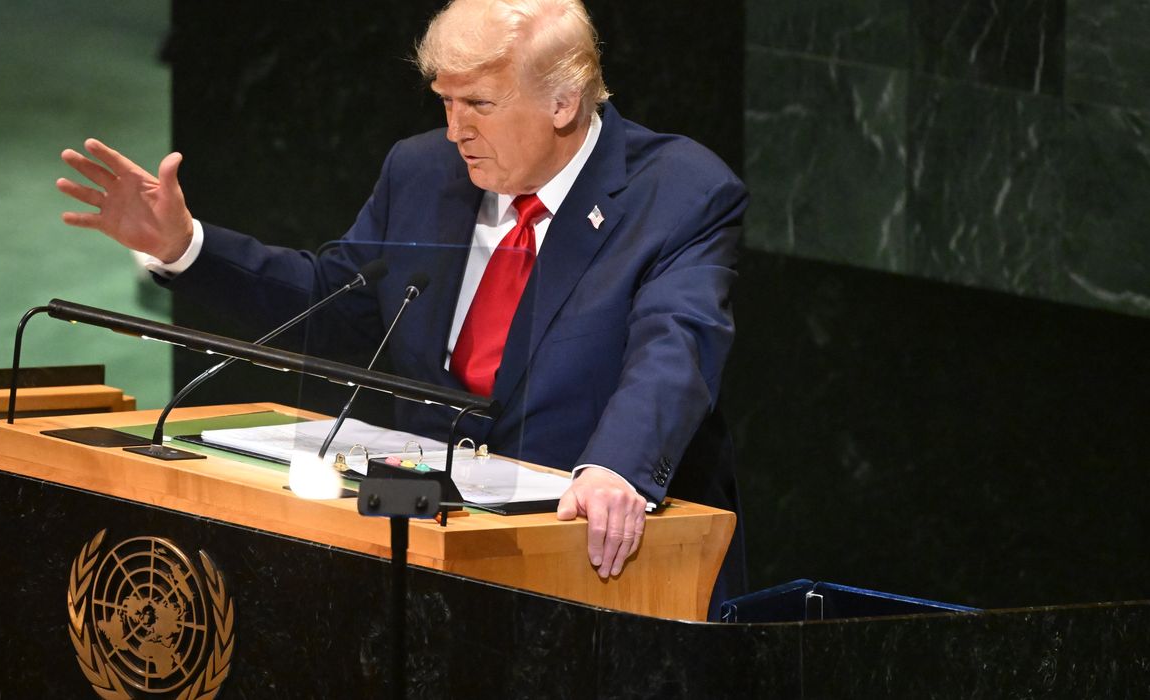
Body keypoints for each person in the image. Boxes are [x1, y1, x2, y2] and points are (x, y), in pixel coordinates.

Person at [58, 0, 748, 616]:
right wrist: (187, 248)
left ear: (563, 102)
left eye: (477, 105)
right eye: (443, 102)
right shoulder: (422, 171)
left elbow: (675, 345)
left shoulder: (678, 193)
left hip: (587, 563)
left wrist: (616, 468)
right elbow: (337, 304)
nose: (454, 130)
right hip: (419, 555)